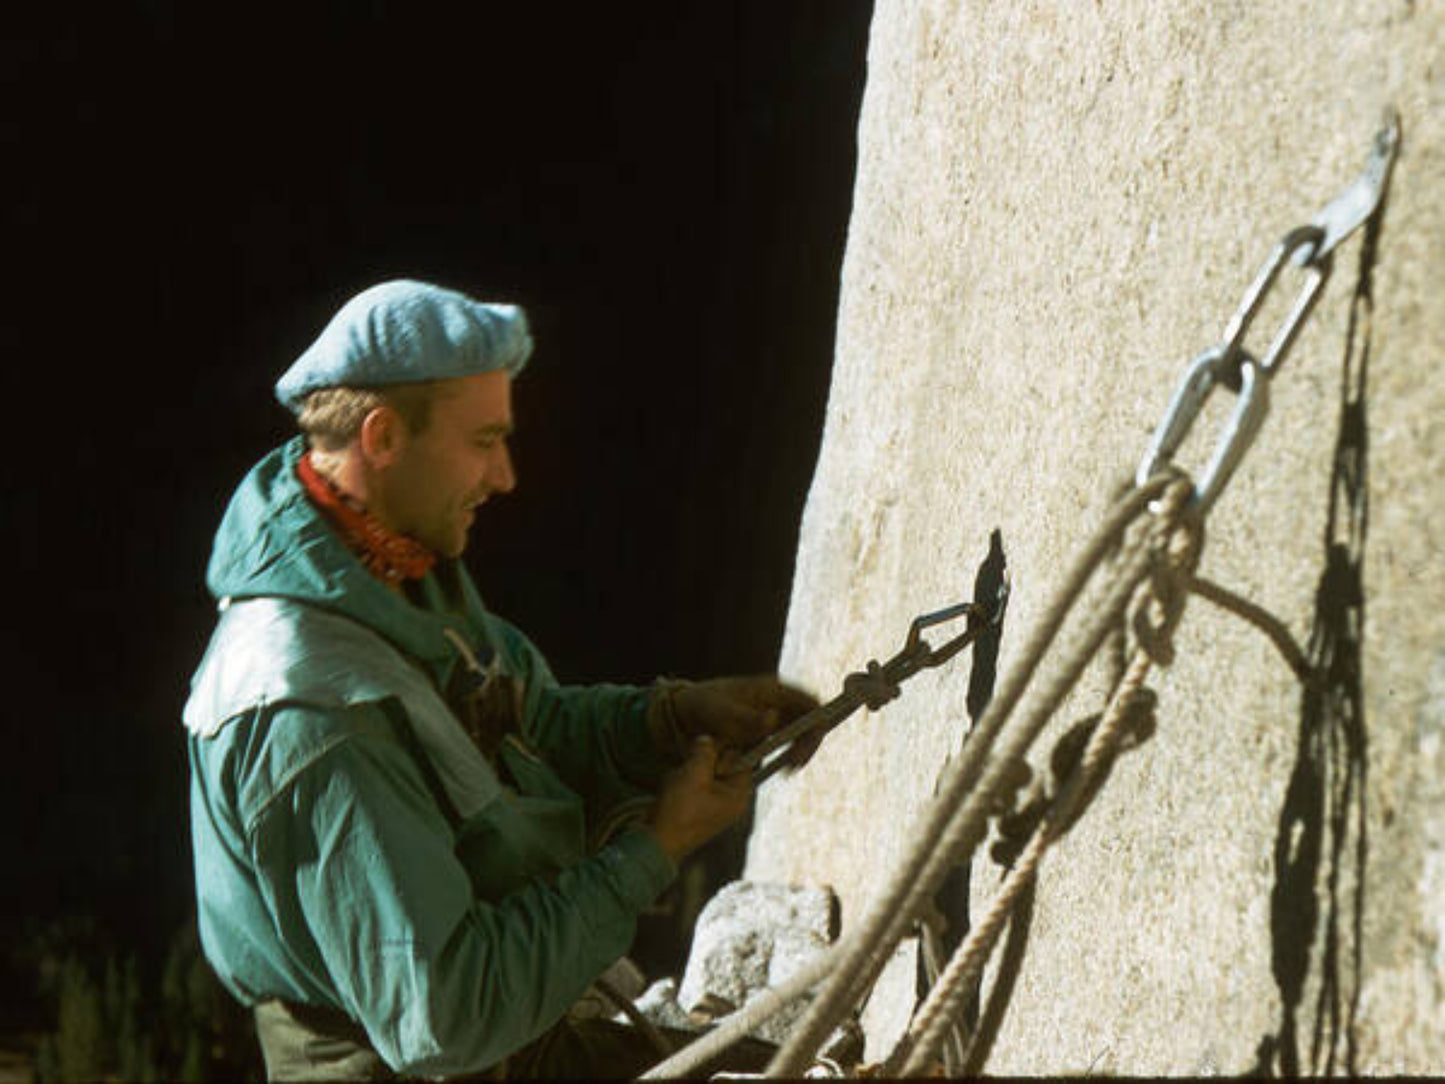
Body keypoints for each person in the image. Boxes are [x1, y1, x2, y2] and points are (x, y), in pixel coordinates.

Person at [182, 279, 818, 1079]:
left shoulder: (387, 571)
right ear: (382, 437)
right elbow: (446, 1016)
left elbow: (526, 725)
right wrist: (657, 848)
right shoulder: (312, 709)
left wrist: (674, 718)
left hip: (519, 1046)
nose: (505, 475)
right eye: (484, 441)